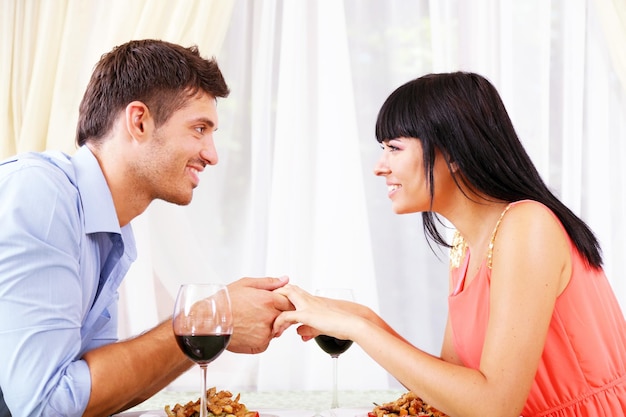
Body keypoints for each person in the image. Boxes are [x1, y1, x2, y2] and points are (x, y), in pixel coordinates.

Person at [272, 72, 626, 417]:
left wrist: (359, 330)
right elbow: (454, 391)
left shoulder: (527, 225)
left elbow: (493, 407)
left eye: (394, 148)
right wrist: (362, 317)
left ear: (454, 153)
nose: (380, 167)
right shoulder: (466, 245)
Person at [0, 39, 291, 417]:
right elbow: (46, 405)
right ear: (139, 121)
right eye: (199, 128)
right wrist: (207, 320)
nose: (212, 154)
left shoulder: (110, 230)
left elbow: (95, 394)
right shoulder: (41, 194)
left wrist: (212, 325)